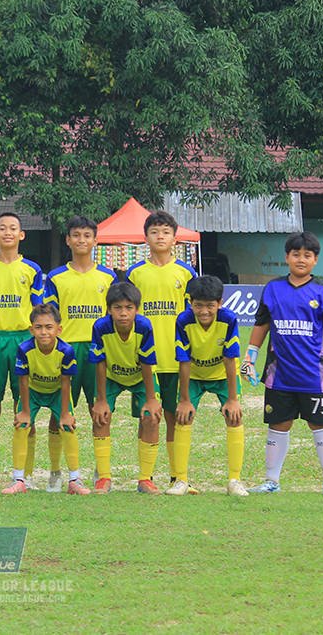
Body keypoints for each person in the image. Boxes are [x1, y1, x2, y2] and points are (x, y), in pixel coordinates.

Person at [241, 231, 323, 496]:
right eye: (296, 254)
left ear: (315, 260)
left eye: (307, 255)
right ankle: (271, 481)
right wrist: (250, 358)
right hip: (279, 376)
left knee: (322, 426)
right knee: (278, 425)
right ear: (286, 257)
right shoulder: (273, 289)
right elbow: (261, 325)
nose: (301, 259)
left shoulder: (322, 291)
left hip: (316, 377)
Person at [124, 210, 197, 492]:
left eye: (165, 232)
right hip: (146, 360)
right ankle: (146, 476)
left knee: (174, 416)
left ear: (175, 239)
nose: (160, 236)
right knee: (148, 416)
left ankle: (178, 476)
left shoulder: (186, 273)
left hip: (177, 358)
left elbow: (193, 315)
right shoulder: (135, 273)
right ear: (145, 238)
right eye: (154, 232)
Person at [43, 216, 117, 492]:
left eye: (87, 235)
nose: (82, 240)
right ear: (68, 240)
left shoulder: (107, 276)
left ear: (96, 241)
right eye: (76, 235)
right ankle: (55, 472)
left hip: (98, 351)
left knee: (100, 411)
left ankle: (102, 472)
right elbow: (49, 316)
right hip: (66, 350)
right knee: (58, 412)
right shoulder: (56, 277)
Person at [0, 213, 45, 488]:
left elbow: (38, 310)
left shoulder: (32, 269)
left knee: (25, 406)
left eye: (13, 228)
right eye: (1, 228)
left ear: (22, 234)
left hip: (23, 340)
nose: (7, 232)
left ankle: (24, 476)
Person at [2, 304, 90, 495]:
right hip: (32, 391)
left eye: (49, 327)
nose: (44, 332)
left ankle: (74, 479)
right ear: (31, 329)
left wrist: (65, 413)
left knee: (67, 426)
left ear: (58, 330)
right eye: (39, 327)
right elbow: (22, 381)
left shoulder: (66, 350)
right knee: (22, 425)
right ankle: (19, 479)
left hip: (57, 392)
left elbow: (66, 382)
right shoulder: (24, 349)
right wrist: (25, 411)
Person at [174, 275, 247, 496]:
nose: (204, 311)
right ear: (190, 303)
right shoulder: (183, 321)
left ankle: (235, 480)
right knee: (183, 416)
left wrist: (233, 400)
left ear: (220, 304)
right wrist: (185, 400)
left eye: (210, 306)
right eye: (198, 305)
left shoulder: (229, 319)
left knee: (234, 417)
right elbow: (184, 360)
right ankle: (181, 480)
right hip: (194, 375)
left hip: (222, 375)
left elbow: (230, 359)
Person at [89, 282, 162, 494]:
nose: (123, 313)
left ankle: (145, 480)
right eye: (117, 308)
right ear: (109, 309)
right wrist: (101, 400)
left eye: (129, 308)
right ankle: (103, 478)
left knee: (151, 416)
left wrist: (150, 399)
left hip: (141, 377)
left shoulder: (144, 326)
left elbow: (147, 363)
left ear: (137, 309)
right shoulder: (100, 327)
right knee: (101, 415)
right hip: (112, 376)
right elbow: (100, 363)